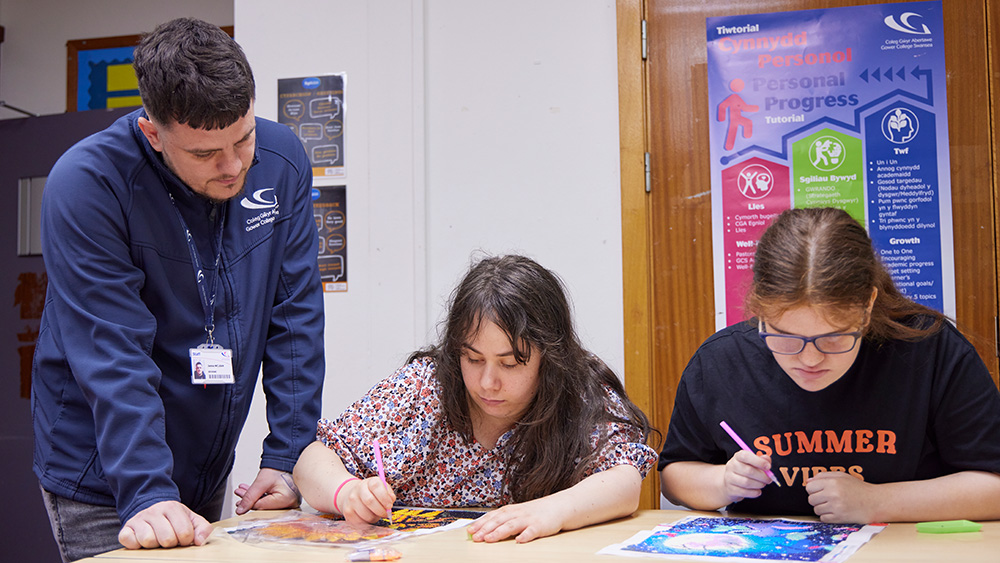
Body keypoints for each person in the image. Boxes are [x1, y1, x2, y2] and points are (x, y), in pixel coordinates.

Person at [32, 18, 325, 561]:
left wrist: (286, 458)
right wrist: (147, 490)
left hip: (204, 461)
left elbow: (295, 316)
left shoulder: (281, 163)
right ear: (152, 133)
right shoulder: (89, 185)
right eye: (205, 154)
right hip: (104, 476)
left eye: (244, 139)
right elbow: (111, 350)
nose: (233, 166)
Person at [659, 207, 1000, 523]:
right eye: (786, 338)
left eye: (834, 339)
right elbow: (674, 475)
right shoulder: (721, 362)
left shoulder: (927, 349)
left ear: (868, 305)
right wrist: (722, 481)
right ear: (760, 310)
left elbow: (993, 486)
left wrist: (876, 502)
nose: (810, 359)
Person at [294, 254, 656, 543]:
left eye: (511, 363)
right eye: (473, 358)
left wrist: (552, 511)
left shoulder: (577, 391)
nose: (487, 383)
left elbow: (623, 481)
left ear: (551, 358)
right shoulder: (423, 387)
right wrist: (347, 493)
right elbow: (312, 459)